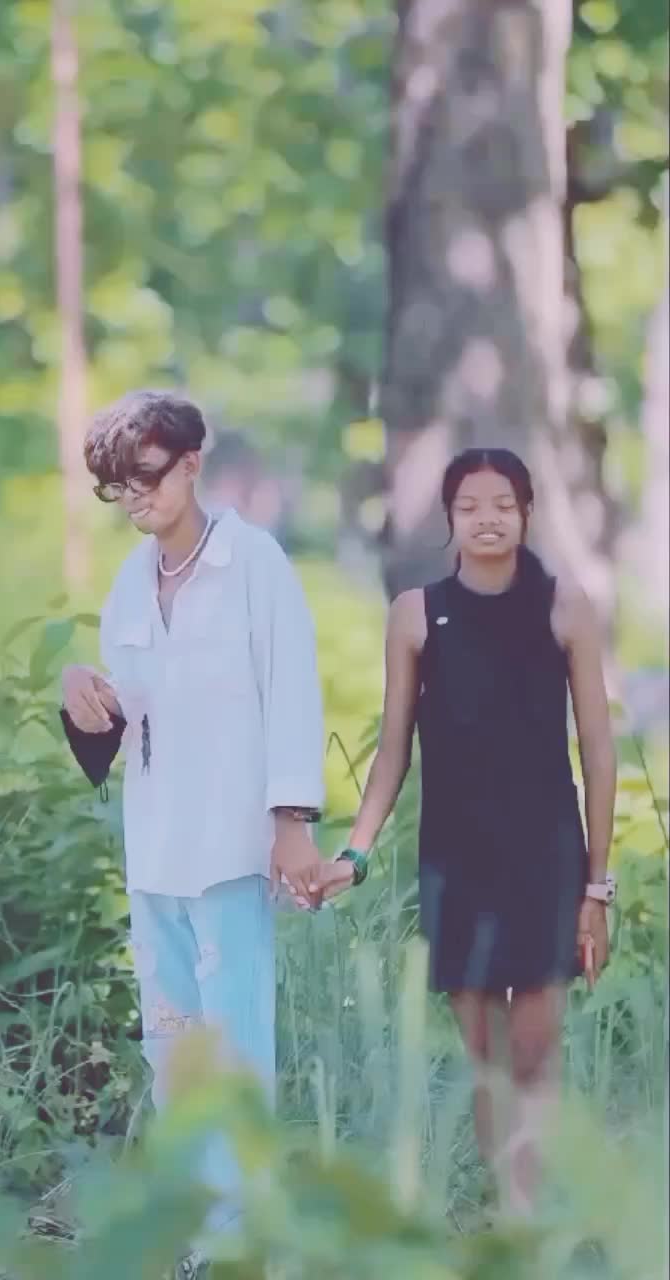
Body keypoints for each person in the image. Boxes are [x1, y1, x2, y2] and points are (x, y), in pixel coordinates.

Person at [60, 390, 325, 1277]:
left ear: (191, 463)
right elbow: (124, 730)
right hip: (157, 855)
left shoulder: (254, 564)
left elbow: (291, 691)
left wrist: (292, 823)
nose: (135, 498)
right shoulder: (128, 586)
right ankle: (195, 1236)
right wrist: (82, 694)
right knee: (171, 1046)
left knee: (235, 1047)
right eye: (117, 487)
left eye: (146, 476)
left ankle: (244, 1240)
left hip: (232, 850)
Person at [319, 448, 617, 1215]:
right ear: (449, 517)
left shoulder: (566, 606)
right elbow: (393, 747)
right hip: (455, 857)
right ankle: (509, 1206)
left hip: (547, 855)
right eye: (470, 506)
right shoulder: (416, 613)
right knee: (485, 1054)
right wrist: (356, 849)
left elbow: (598, 749)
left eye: (504, 504)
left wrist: (596, 888)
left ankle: (525, 1219)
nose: (488, 519)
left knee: (534, 1048)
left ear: (527, 513)